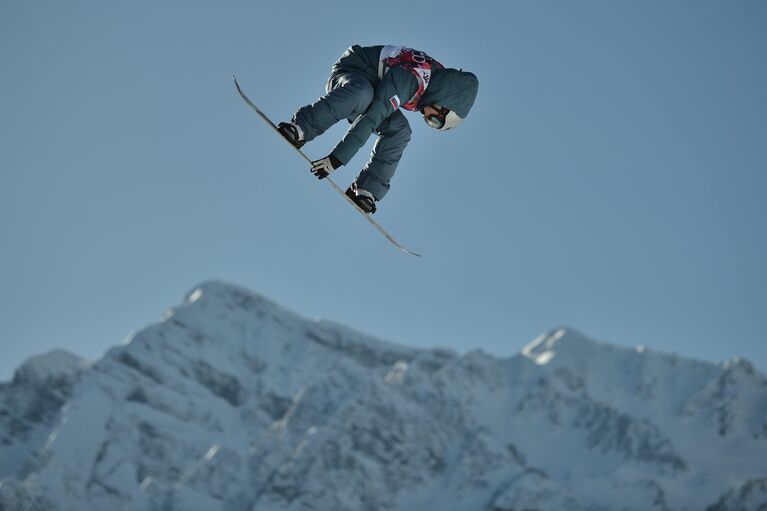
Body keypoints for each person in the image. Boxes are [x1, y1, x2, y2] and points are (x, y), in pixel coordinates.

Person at [277, 45, 479, 214]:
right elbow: (372, 116)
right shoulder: (411, 79)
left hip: (377, 91)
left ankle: (366, 188)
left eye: (433, 123)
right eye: (434, 119)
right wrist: (337, 159)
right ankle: (301, 128)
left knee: (401, 130)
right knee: (361, 94)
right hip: (354, 73)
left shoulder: (438, 83)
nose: (427, 119)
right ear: (442, 103)